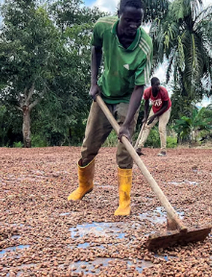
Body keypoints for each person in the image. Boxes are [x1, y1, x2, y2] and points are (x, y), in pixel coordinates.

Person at [67, 0, 152, 216]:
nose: (133, 26)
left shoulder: (144, 46)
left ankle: (124, 201)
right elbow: (96, 49)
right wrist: (94, 82)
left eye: (138, 22)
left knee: (125, 149)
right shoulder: (103, 26)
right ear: (119, 14)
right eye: (129, 20)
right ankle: (85, 185)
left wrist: (127, 124)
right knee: (88, 145)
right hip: (104, 94)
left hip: (127, 98)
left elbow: (139, 88)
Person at [134, 77, 171, 156]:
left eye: (159, 84)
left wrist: (154, 116)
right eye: (156, 85)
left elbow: (166, 105)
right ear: (152, 85)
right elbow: (146, 103)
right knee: (147, 126)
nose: (158, 86)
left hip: (165, 110)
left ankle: (163, 150)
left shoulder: (163, 91)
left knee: (161, 128)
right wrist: (145, 116)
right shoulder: (147, 92)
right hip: (155, 109)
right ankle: (139, 147)